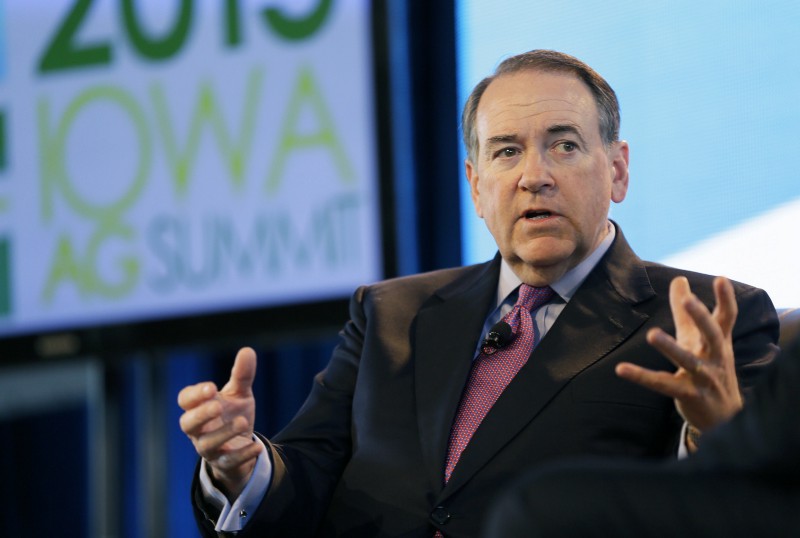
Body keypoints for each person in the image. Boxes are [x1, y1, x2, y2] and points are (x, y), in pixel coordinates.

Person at [177, 50, 779, 536]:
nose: (533, 175)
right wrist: (241, 466)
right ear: (475, 185)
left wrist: (715, 431)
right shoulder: (389, 315)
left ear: (617, 170)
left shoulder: (702, 322)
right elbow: (304, 478)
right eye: (506, 151)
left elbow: (751, 507)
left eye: (564, 145)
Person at [482, 276, 800, 537]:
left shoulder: (715, 309)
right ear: (477, 197)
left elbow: (762, 464)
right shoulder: (433, 298)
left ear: (618, 192)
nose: (534, 192)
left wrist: (711, 427)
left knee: (539, 509)